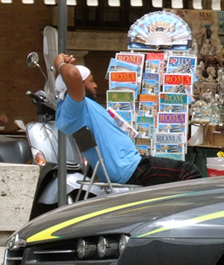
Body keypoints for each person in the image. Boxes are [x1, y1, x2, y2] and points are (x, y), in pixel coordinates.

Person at [53, 53, 201, 186]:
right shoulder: (75, 109)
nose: (95, 85)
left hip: (126, 166)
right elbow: (72, 75)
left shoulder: (70, 109)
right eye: (91, 81)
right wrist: (59, 64)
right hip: (129, 169)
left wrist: (60, 70)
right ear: (79, 84)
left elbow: (65, 81)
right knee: (188, 171)